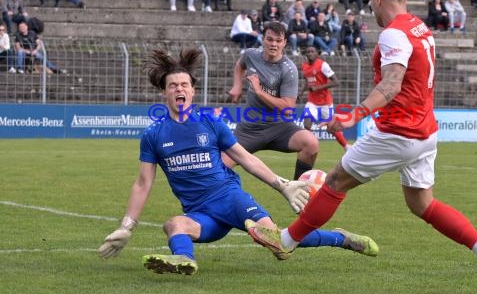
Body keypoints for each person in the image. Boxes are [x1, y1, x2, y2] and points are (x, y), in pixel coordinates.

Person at [245, 0, 477, 294]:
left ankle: (284, 241)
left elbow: (391, 83)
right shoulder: (420, 27)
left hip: (398, 132)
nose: (370, 6)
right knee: (422, 204)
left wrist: (353, 115)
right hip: (425, 132)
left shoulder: (394, 33)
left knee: (335, 182)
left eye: (370, 0)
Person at [96, 48, 379, 275]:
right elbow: (143, 183)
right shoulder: (153, 135)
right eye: (173, 86)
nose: (179, 89)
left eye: (184, 84)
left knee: (277, 242)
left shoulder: (210, 123)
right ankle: (183, 259)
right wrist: (127, 226)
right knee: (173, 225)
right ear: (164, 93)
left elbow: (244, 158)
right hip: (200, 213)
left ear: (193, 90)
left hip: (230, 198)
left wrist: (283, 185)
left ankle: (341, 238)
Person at [226, 22, 319, 181]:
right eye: (270, 39)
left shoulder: (288, 69)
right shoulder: (250, 54)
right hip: (249, 128)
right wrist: (237, 86)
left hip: (279, 127)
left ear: (284, 43)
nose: (273, 44)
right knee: (218, 166)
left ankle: (297, 189)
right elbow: (239, 65)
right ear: (263, 39)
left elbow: (288, 108)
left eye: (278, 41)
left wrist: (260, 92)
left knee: (311, 143)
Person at [299, 46, 349, 150]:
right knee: (307, 125)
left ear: (317, 53)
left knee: (332, 128)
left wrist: (318, 87)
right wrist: (301, 93)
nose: (309, 53)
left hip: (325, 102)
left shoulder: (322, 65)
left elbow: (336, 82)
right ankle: (310, 147)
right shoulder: (304, 66)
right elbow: (307, 81)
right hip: (312, 102)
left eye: (312, 51)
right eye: (308, 52)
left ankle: (346, 146)